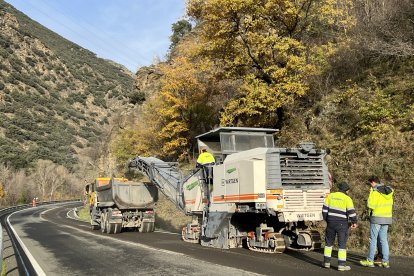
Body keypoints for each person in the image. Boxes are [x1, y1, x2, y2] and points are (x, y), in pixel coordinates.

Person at [322, 182, 358, 271]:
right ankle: (341, 265)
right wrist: (354, 222)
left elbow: (324, 210)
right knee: (342, 245)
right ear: (346, 190)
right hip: (342, 224)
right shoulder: (347, 198)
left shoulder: (330, 196)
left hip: (331, 223)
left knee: (328, 243)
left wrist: (327, 220)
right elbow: (351, 212)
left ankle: (326, 263)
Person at [360, 176, 394, 269]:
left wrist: (369, 199)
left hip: (377, 218)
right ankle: (385, 262)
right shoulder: (389, 191)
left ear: (373, 182)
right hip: (387, 218)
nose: (370, 186)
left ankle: (370, 261)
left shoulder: (375, 192)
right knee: (384, 240)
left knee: (373, 239)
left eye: (370, 184)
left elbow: (371, 205)